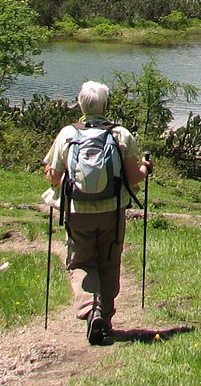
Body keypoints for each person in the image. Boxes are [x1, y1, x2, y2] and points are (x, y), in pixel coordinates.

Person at [43, 80, 151, 345]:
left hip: (77, 210)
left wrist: (50, 170)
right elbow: (132, 177)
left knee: (80, 262)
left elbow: (54, 177)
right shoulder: (120, 135)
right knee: (109, 261)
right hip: (112, 211)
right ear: (105, 105)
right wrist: (146, 168)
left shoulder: (67, 134)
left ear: (80, 104)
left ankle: (92, 310)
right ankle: (107, 319)